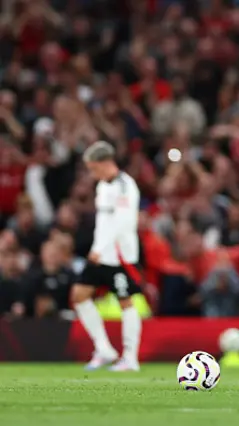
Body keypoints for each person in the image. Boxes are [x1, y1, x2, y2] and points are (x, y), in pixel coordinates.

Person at [71, 141, 143, 372]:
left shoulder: (125, 186)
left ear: (105, 162)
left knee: (126, 302)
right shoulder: (103, 185)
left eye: (94, 167)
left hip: (119, 255)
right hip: (100, 253)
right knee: (79, 295)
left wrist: (101, 247)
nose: (93, 173)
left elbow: (123, 222)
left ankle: (130, 357)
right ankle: (103, 348)